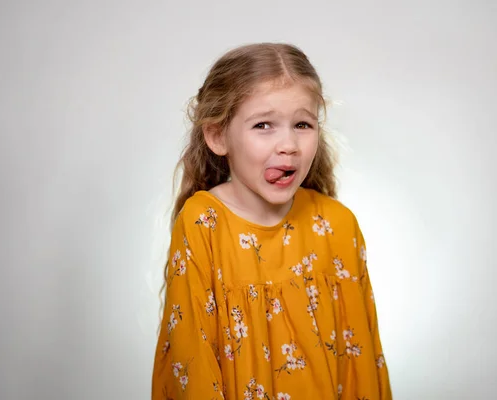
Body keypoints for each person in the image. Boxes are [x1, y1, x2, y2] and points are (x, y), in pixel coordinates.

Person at [152, 42, 392, 400]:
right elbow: (192, 363)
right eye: (263, 124)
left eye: (302, 124)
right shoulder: (203, 224)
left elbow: (363, 364)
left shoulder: (337, 225)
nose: (289, 144)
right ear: (217, 135)